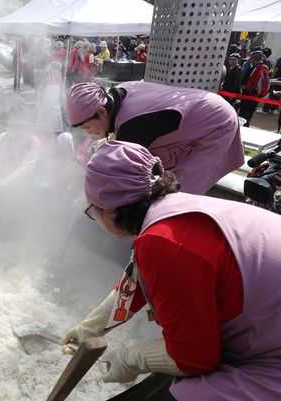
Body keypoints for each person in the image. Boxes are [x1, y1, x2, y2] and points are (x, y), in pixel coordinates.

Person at [60, 140, 281, 400]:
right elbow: (137, 280)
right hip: (267, 332)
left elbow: (195, 358)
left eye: (91, 210)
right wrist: (92, 326)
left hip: (271, 358)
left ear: (109, 209)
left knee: (185, 393)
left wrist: (132, 359)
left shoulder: (163, 242)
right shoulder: (175, 209)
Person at [66, 81, 244, 195]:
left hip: (216, 121)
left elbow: (125, 177)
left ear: (102, 112)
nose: (88, 133)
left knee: (178, 192)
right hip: (203, 107)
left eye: (87, 127)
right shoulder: (119, 91)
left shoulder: (132, 127)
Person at [239, 50, 270, 127]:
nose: (250, 61)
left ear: (254, 59)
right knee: (249, 115)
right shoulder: (266, 68)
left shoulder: (252, 69)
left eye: (251, 59)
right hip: (257, 96)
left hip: (247, 95)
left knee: (242, 116)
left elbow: (242, 82)